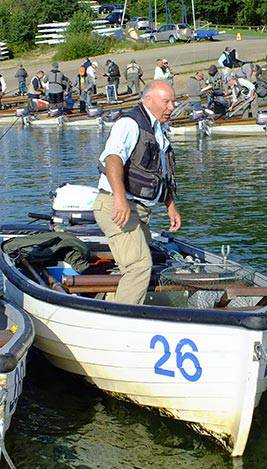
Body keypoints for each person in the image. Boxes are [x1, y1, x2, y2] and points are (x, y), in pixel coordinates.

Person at [94, 81, 180, 305]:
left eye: (173, 101)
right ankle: (123, 322)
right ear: (148, 100)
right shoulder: (130, 124)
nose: (172, 107)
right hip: (117, 205)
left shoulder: (158, 129)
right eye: (166, 102)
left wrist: (170, 205)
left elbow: (161, 171)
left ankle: (111, 303)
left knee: (140, 262)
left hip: (140, 210)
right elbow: (113, 158)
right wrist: (120, 199)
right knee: (139, 266)